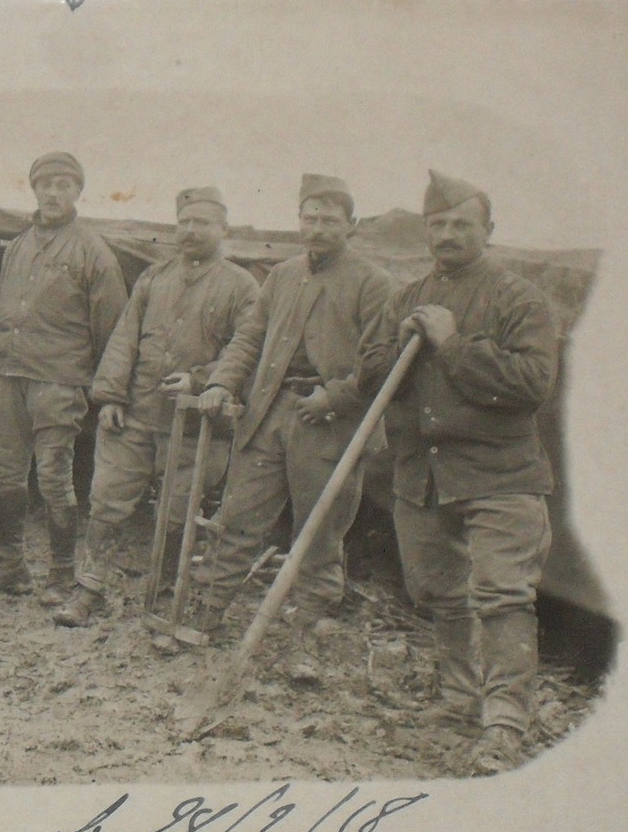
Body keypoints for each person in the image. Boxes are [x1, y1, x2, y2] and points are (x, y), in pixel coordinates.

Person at [357, 170, 560, 775]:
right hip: (422, 474)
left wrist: (451, 344)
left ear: (488, 231)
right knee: (438, 592)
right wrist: (396, 346)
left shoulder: (518, 298)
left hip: (500, 474)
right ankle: (459, 700)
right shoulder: (406, 295)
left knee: (501, 596)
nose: (447, 234)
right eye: (437, 224)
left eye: (461, 224)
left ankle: (504, 725)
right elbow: (368, 379)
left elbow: (532, 385)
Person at [190, 173, 394, 638]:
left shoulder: (373, 283)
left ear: (352, 225)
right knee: (238, 514)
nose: (318, 228)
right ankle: (207, 610)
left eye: (330, 220)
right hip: (270, 412)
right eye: (310, 217)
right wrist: (222, 382)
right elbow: (250, 338)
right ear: (299, 221)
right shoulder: (282, 275)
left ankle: (309, 626)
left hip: (329, 421)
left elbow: (380, 360)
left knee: (319, 528)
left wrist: (336, 397)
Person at [53, 186, 259, 627]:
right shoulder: (153, 278)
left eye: (201, 222)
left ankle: (162, 592)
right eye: (183, 221)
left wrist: (201, 380)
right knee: (107, 499)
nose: (190, 230)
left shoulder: (242, 287)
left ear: (223, 228)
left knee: (179, 507)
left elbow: (248, 348)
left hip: (195, 422)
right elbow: (125, 337)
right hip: (137, 413)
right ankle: (90, 587)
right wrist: (109, 395)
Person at [0, 151, 128, 603]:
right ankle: (10, 564)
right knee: (5, 470)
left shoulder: (93, 251)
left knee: (53, 475)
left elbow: (112, 328)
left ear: (78, 192)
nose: (53, 193)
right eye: (45, 184)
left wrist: (101, 388)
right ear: (34, 189)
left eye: (64, 185)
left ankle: (61, 573)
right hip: (6, 374)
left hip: (57, 381)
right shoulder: (20, 244)